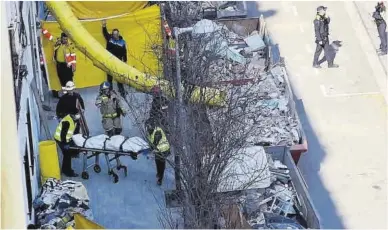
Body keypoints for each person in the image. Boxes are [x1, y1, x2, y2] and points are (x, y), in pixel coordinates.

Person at [102, 19, 127, 97]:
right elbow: (105, 33)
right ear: (112, 34)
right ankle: (110, 92)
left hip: (118, 62)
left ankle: (122, 91)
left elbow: (124, 51)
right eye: (114, 34)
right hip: (109, 61)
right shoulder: (110, 39)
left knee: (119, 77)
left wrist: (125, 60)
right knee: (109, 78)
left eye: (116, 34)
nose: (115, 35)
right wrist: (104, 26)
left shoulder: (122, 41)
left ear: (118, 34)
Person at [145, 119, 170, 186]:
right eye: (146, 126)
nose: (147, 128)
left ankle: (160, 179)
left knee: (161, 163)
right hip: (158, 149)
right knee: (157, 160)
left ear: (152, 126)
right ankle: (159, 173)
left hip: (164, 149)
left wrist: (150, 150)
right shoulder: (150, 132)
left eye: (148, 126)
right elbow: (151, 142)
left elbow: (154, 143)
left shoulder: (157, 131)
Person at [53, 33, 76, 98]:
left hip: (67, 66)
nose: (65, 40)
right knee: (62, 80)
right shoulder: (58, 43)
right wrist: (43, 30)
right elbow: (51, 38)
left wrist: (73, 66)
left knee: (69, 80)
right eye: (64, 39)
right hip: (59, 65)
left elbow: (73, 56)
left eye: (66, 39)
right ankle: (65, 94)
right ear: (61, 38)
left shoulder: (70, 45)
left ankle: (71, 95)